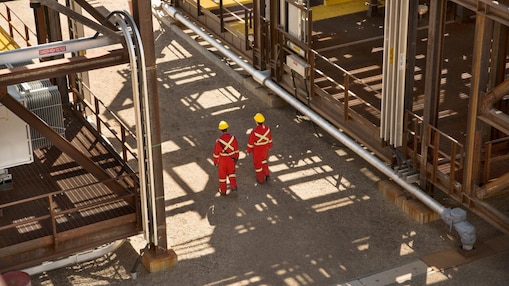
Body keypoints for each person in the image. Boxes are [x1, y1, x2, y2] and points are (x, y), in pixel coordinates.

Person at [213, 120, 239, 196]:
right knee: (231, 173)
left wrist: (215, 162)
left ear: (220, 130)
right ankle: (233, 186)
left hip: (222, 160)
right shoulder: (233, 138)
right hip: (231, 159)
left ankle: (223, 191)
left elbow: (216, 153)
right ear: (227, 128)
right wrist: (236, 157)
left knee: (222, 176)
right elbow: (236, 149)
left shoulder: (219, 141)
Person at [246, 113, 273, 184]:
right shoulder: (268, 129)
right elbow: (270, 139)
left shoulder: (254, 132)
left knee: (258, 164)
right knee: (264, 161)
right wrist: (269, 146)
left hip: (257, 150)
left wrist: (248, 151)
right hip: (265, 149)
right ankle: (267, 174)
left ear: (256, 122)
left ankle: (260, 179)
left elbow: (250, 143)